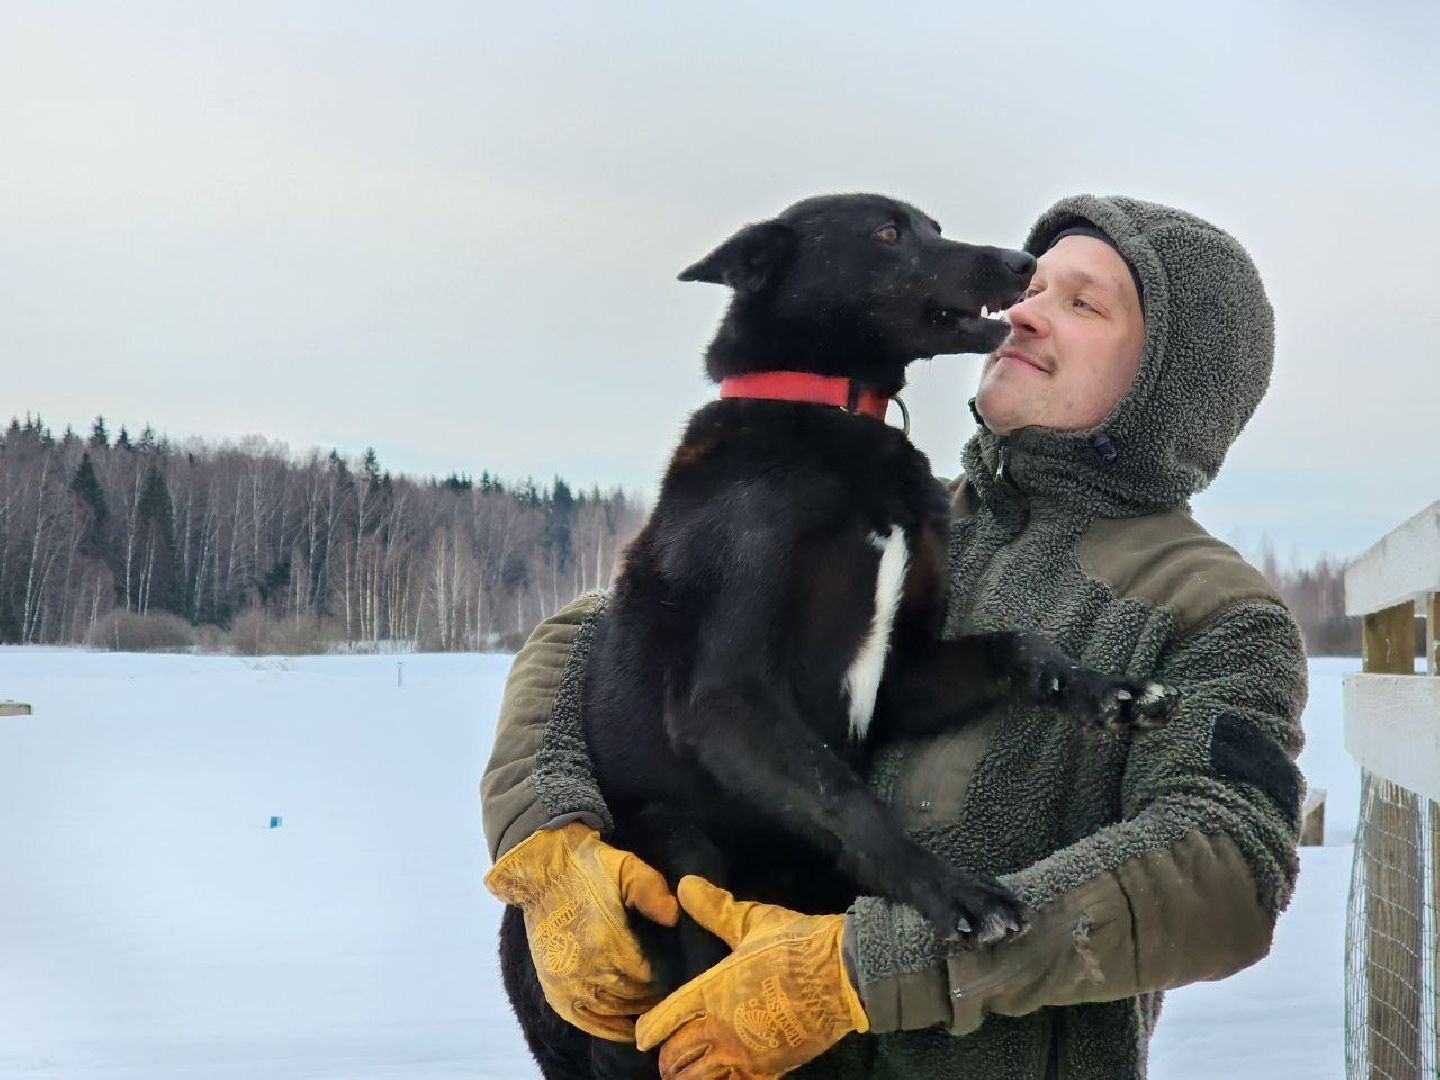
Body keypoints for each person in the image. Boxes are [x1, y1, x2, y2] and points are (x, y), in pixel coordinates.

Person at [481, 194, 1308, 1079]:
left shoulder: (1211, 605)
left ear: (1167, 384)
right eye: (1036, 284)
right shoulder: (897, 502)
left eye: (1081, 303)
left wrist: (860, 972)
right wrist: (547, 837)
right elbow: (596, 631)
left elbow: (1229, 866)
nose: (1023, 305)